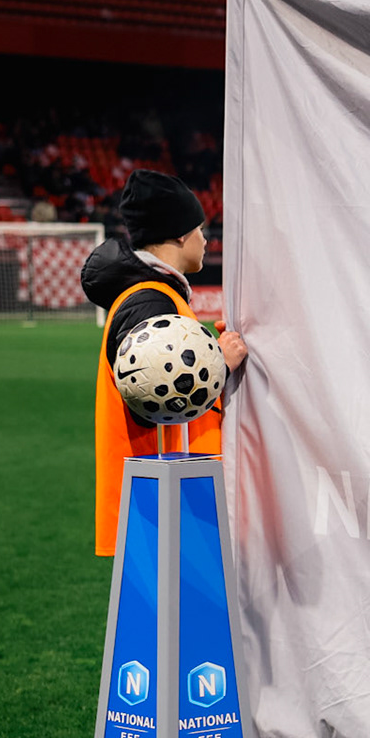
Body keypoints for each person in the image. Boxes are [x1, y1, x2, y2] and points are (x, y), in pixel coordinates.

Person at [81, 169, 247, 556]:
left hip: (164, 493)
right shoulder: (151, 300)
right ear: (179, 234)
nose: (206, 240)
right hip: (163, 498)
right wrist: (219, 363)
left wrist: (207, 354)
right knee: (176, 597)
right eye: (200, 229)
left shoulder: (153, 295)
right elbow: (153, 393)